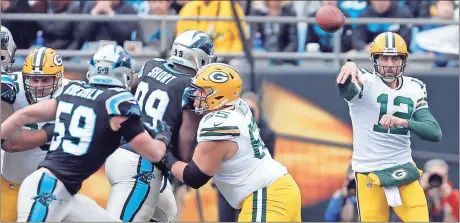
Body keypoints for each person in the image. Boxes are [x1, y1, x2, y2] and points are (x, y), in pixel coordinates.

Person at [0, 44, 171, 222]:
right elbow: (155, 153)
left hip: (65, 193)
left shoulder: (73, 92)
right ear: (125, 75)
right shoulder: (118, 105)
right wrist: (162, 135)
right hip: (47, 189)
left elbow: (23, 115)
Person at [161, 63, 302, 222]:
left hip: (267, 196)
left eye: (202, 90)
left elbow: (194, 177)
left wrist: (164, 155)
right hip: (279, 190)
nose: (195, 94)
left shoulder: (219, 125)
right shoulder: (236, 105)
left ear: (219, 96)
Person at [105, 30, 215, 222]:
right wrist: (184, 164)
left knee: (168, 216)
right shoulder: (190, 87)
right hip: (142, 163)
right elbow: (186, 136)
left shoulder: (151, 64)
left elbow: (127, 84)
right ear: (200, 58)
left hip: (123, 153)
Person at [336, 31, 442, 222]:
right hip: (369, 171)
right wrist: (348, 68)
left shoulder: (415, 87)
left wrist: (404, 122)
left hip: (402, 169)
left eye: (395, 59)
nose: (390, 65)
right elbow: (346, 89)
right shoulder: (364, 80)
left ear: (404, 60)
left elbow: (434, 132)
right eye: (384, 58)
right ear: (374, 59)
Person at [1, 46, 72, 222]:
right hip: (13, 183)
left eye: (45, 80)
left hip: (57, 187)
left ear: (59, 78)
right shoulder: (10, 86)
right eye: (34, 80)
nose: (38, 86)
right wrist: (50, 132)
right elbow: (10, 142)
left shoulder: (74, 92)